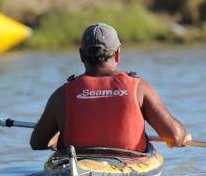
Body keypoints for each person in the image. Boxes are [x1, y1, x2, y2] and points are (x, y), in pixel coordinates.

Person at [30, 22, 191, 152]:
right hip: (128, 165)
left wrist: (58, 135)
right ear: (118, 54)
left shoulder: (62, 94)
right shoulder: (139, 88)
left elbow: (38, 143)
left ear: (81, 55)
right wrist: (182, 135)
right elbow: (174, 136)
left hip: (77, 166)